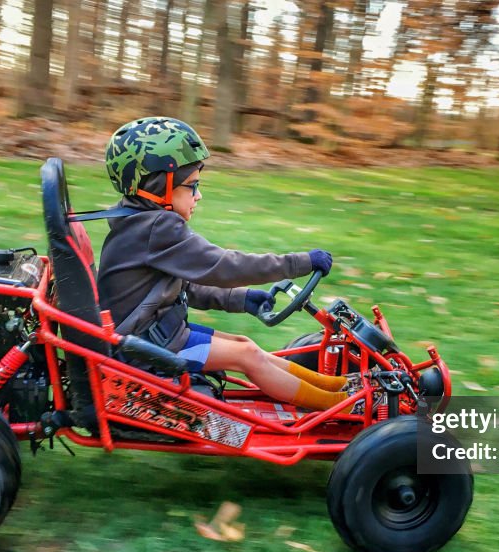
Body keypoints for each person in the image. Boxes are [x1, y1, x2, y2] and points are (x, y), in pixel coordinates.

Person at [96, 116, 353, 412]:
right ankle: (341, 407)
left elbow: (184, 288)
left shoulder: (138, 222)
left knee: (246, 345)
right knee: (247, 356)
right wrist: (300, 262)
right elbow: (223, 265)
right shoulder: (157, 227)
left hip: (152, 335)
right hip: (141, 349)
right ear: (158, 185)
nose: (199, 195)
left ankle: (332, 386)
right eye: (192, 185)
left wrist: (242, 299)